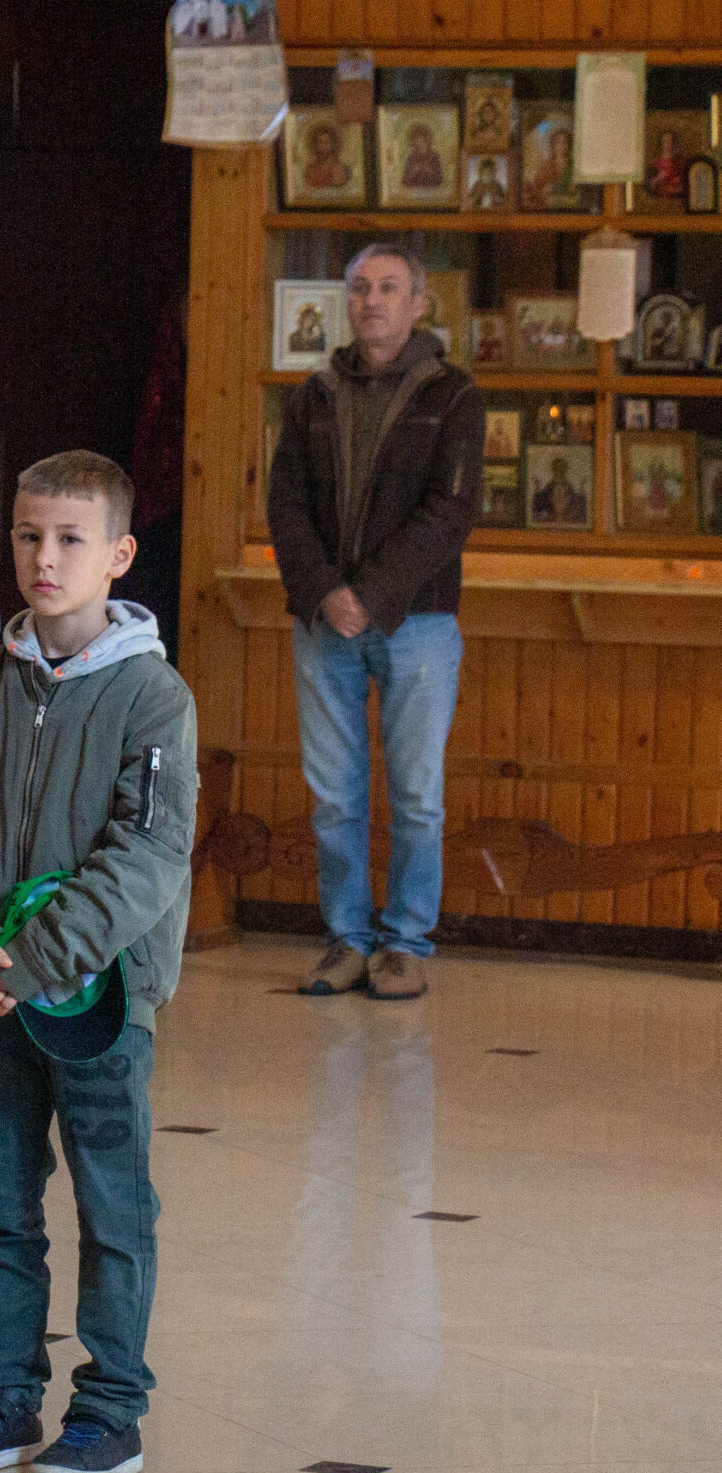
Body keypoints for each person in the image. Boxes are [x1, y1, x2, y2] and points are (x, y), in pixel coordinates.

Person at [0, 450, 197, 1473]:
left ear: (118, 554)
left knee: (111, 1205)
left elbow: (146, 854)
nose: (45, 557)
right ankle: (0, 1397)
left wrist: (34, 959)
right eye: (29, 535)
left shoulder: (152, 697)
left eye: (71, 539)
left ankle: (109, 1409)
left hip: (98, 1003)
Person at [267, 243, 484, 1001]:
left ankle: (404, 943)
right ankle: (347, 940)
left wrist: (370, 594)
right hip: (323, 620)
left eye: (390, 288)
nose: (373, 300)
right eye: (360, 287)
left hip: (417, 621)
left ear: (419, 303)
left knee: (417, 795)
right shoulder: (312, 395)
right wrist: (327, 593)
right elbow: (285, 505)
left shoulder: (453, 395)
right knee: (335, 795)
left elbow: (450, 511)